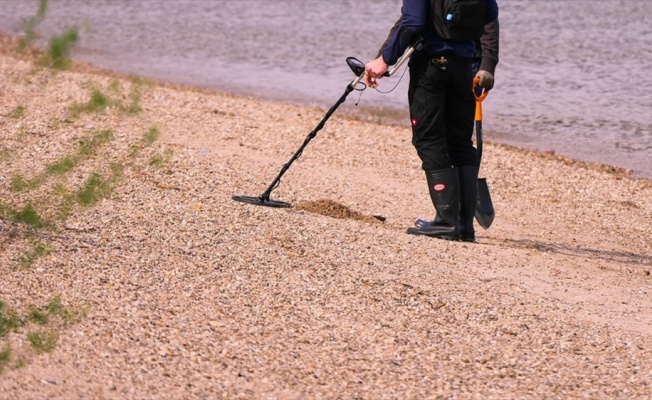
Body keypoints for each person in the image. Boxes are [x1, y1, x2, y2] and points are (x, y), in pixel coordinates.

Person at [365, 0, 499, 242]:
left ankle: (447, 222)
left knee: (428, 139)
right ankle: (464, 226)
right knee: (460, 141)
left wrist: (384, 60)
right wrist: (487, 64)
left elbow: (413, 21)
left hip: (431, 67)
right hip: (464, 67)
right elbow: (490, 14)